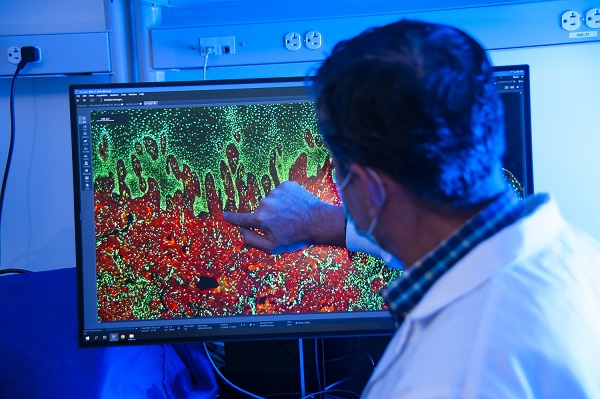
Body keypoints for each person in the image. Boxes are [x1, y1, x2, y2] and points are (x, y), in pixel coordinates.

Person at [224, 19, 600, 398]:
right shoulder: (579, 258)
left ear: (369, 188)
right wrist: (314, 220)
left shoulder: (441, 377)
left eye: (336, 166)